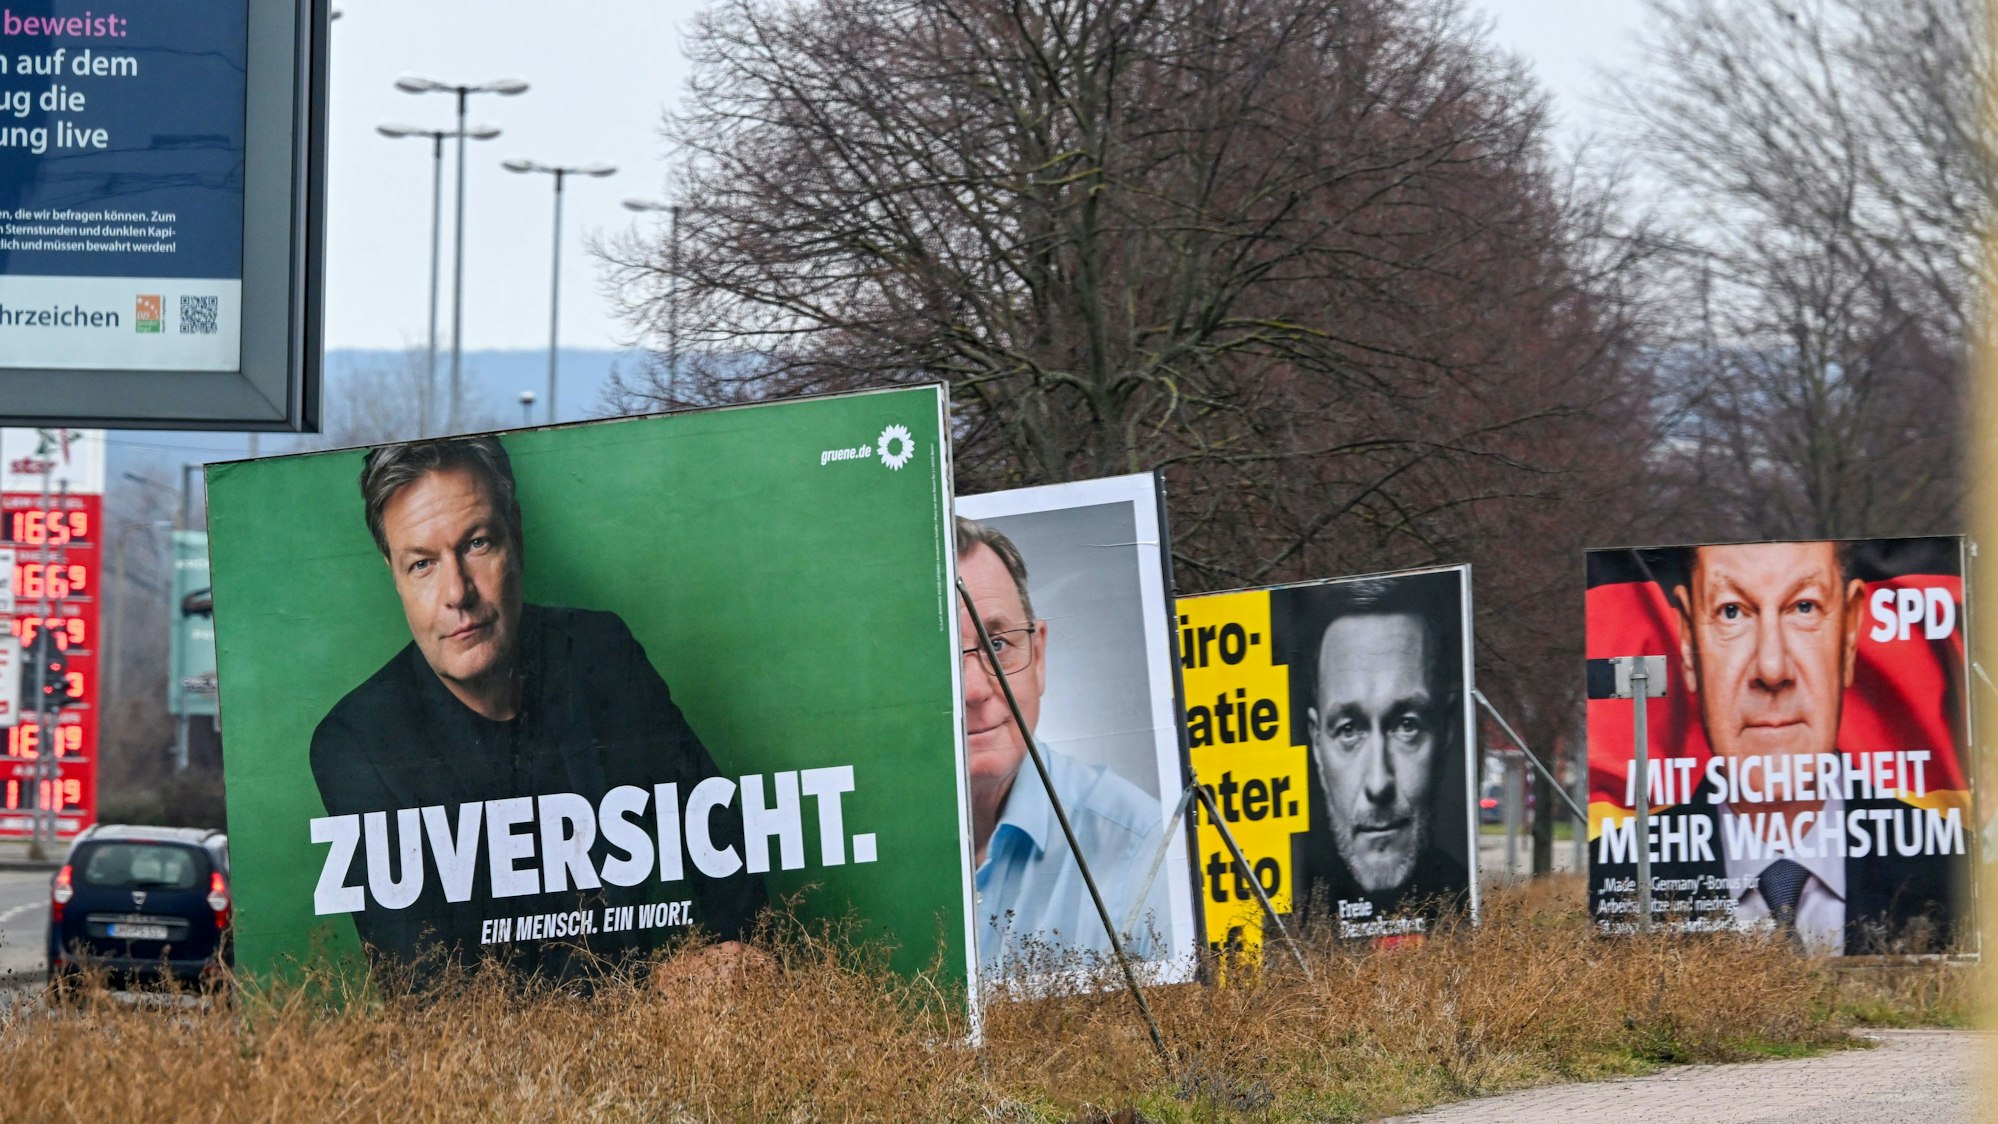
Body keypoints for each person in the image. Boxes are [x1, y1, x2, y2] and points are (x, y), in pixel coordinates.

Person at [309, 436, 763, 978]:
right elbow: (435, 995)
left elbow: (724, 847)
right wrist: (656, 994)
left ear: (516, 536)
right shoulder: (356, 744)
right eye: (422, 564)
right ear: (393, 573)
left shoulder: (601, 652)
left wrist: (737, 962)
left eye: (476, 544)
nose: (458, 593)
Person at [1635, 539, 1958, 953]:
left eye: (1804, 607)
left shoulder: (1949, 873)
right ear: (1688, 643)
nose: (1772, 668)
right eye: (1731, 611)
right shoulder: (1632, 869)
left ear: (1849, 632)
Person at [956, 517, 1170, 975]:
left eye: (998, 643)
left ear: (1039, 657)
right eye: (939, 655)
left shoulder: (1144, 849)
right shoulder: (841, 859)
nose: (975, 689)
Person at [1286, 575, 1469, 935]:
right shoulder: (1284, 924)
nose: (1378, 782)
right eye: (1349, 730)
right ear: (1317, 745)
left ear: (1445, 730)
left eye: (1406, 724)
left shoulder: (1468, 909)